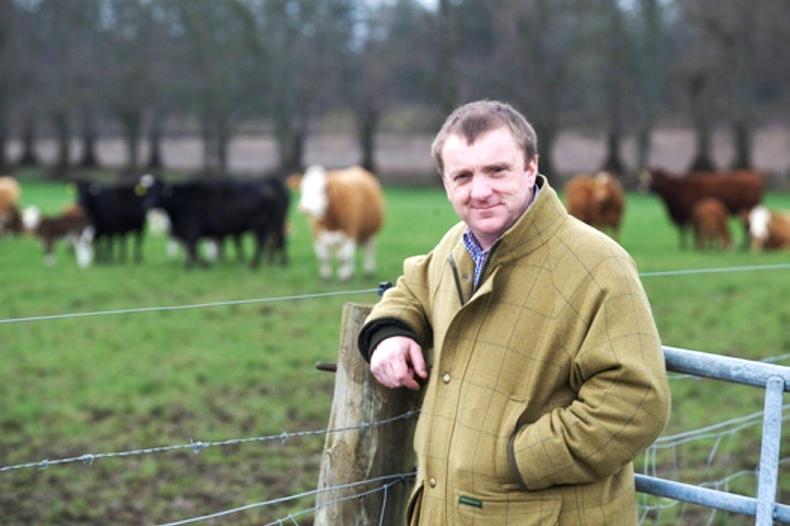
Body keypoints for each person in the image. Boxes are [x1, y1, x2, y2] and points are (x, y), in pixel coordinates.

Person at [357, 100, 670, 525]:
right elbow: (412, 288)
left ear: (530, 168)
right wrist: (389, 334)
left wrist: (517, 458)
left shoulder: (598, 265)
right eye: (463, 176)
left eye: (497, 171)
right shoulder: (457, 245)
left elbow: (635, 403)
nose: (480, 191)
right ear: (445, 182)